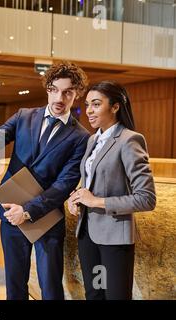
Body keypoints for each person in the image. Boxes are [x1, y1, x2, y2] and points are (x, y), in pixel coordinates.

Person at [0, 61, 90, 300]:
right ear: (47, 89)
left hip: (46, 217)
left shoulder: (81, 137)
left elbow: (64, 184)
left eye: (67, 92)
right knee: (14, 285)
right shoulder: (24, 116)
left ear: (77, 94)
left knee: (51, 287)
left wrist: (28, 211)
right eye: (54, 89)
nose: (59, 97)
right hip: (11, 211)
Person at [68, 81, 156, 300]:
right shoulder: (93, 140)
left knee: (115, 296)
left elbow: (146, 198)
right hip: (88, 234)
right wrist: (77, 196)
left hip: (114, 238)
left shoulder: (130, 140)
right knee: (95, 294)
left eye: (96, 104)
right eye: (87, 104)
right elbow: (92, 181)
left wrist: (96, 201)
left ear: (115, 107)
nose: (88, 110)